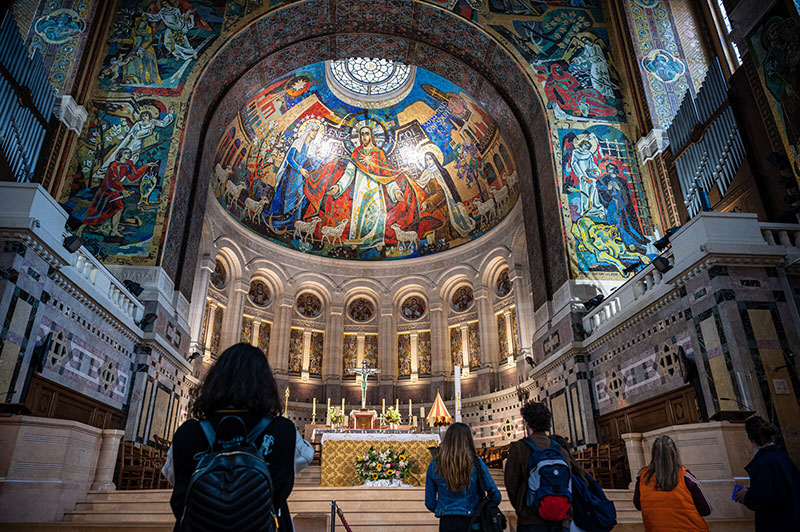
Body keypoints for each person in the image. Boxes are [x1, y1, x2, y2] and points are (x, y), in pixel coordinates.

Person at [169, 343, 297, 531]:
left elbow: (175, 482)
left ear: (216, 379)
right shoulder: (283, 430)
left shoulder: (188, 432)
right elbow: (289, 478)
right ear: (265, 382)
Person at [504, 401, 574, 532]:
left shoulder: (519, 448)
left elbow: (511, 484)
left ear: (527, 423)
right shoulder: (561, 450)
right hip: (560, 520)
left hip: (531, 520)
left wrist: (522, 510)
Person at [425, 422, 501, 531]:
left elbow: (430, 503)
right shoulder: (476, 463)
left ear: (446, 440)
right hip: (473, 519)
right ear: (468, 440)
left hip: (447, 522)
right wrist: (482, 508)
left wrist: (445, 509)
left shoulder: (434, 465)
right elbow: (495, 495)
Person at [733, 416, 800, 531]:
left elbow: (765, 497)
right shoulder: (781, 456)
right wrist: (750, 490)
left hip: (778, 522)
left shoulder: (763, 461)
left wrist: (748, 496)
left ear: (749, 438)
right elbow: (778, 486)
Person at [633, 435, 711, 532]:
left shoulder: (642, 477)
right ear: (674, 452)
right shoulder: (685, 476)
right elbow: (705, 509)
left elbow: (638, 505)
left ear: (653, 453)